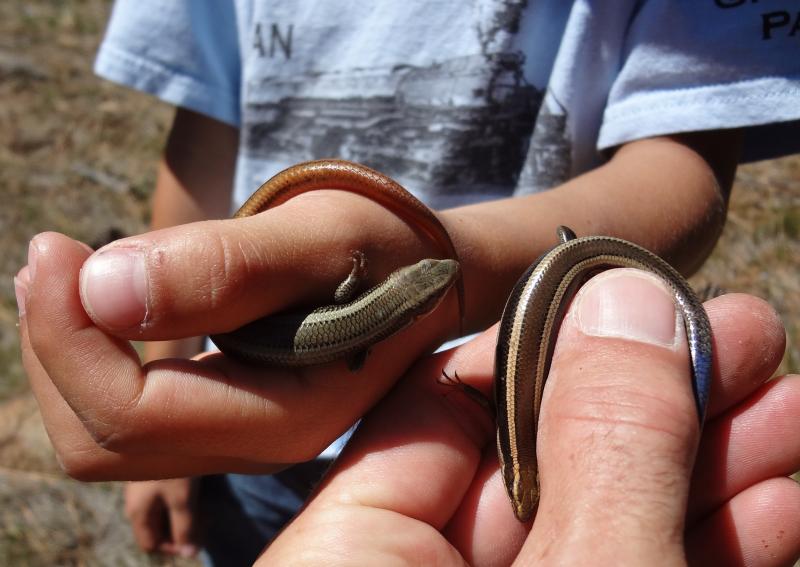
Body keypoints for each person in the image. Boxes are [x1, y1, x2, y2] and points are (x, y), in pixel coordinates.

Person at [15, 0, 800, 563]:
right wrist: (171, 398)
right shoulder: (378, 313)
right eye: (426, 293)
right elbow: (204, 132)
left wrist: (446, 265)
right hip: (240, 438)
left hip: (484, 438)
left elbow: (686, 173)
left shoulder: (383, 312)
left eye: (424, 294)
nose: (428, 290)